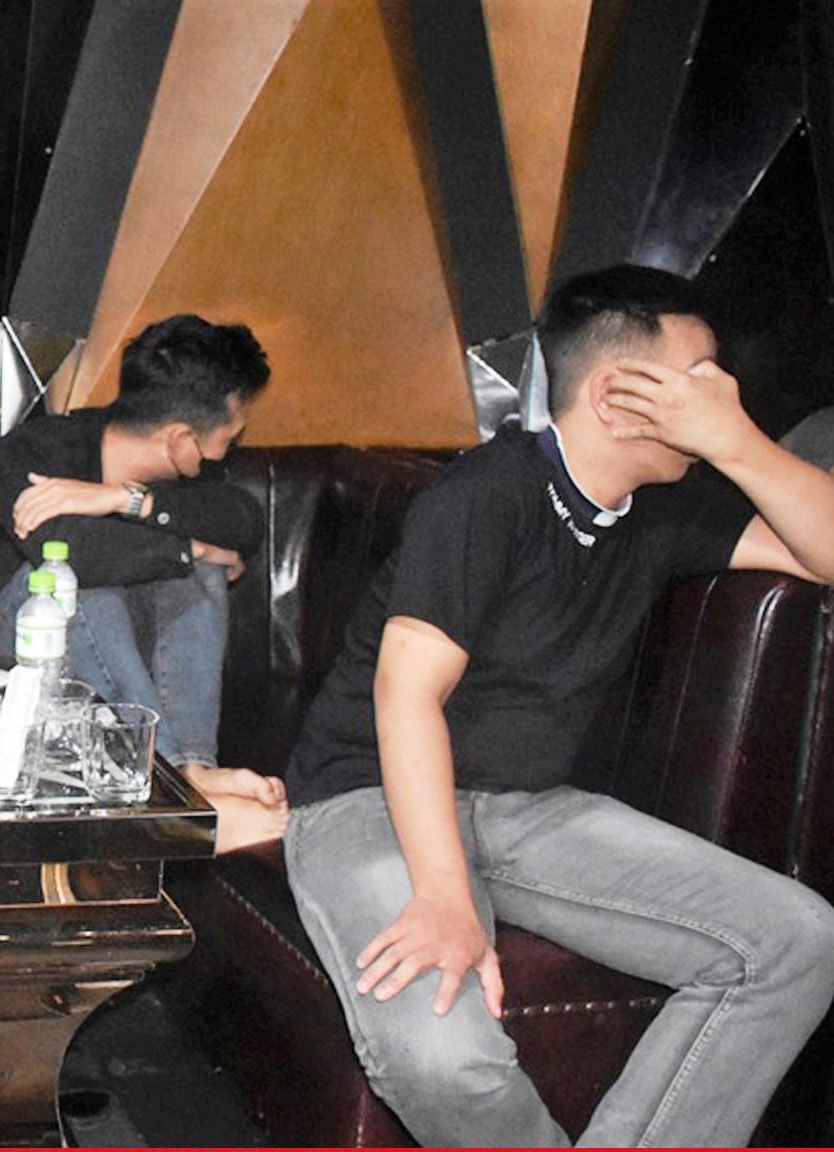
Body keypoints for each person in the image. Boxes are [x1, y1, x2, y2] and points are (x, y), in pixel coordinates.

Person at [282, 264, 834, 1146]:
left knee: (799, 940)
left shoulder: (665, 508)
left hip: (528, 809)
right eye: (702, 376)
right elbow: (407, 694)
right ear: (617, 392)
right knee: (441, 1056)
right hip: (372, 796)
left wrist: (738, 442)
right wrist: (443, 896)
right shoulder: (485, 493)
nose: (723, 394)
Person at [0, 312, 285, 850]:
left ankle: (190, 768)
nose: (227, 451)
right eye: (228, 438)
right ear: (180, 439)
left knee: (196, 571)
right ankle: (164, 786)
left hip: (81, 665)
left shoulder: (185, 474)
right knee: (67, 584)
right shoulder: (36, 453)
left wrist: (124, 500)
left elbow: (243, 522)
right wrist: (188, 546)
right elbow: (69, 552)